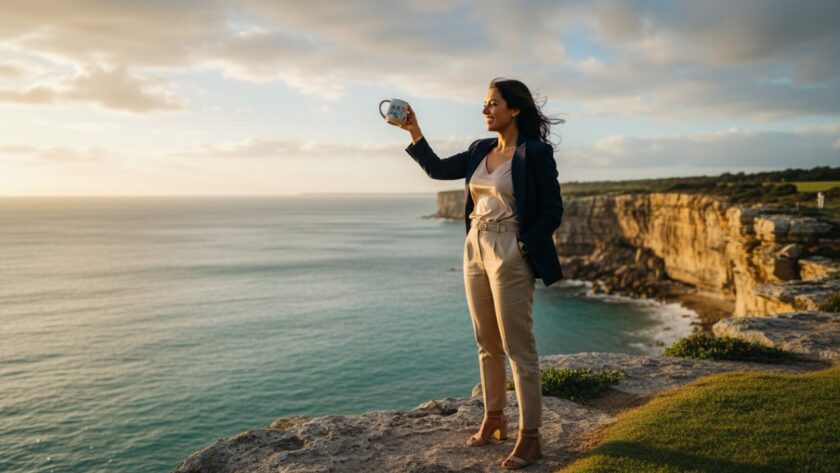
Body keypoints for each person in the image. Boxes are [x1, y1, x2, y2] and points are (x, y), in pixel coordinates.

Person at [399, 78, 565, 469]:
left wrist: (522, 246)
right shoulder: (479, 149)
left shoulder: (535, 153)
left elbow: (553, 210)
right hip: (474, 245)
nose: (486, 110)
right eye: (485, 104)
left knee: (518, 348)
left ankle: (531, 437)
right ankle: (494, 417)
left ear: (515, 109)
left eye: (493, 103)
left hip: (510, 248)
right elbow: (438, 169)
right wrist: (413, 131)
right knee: (486, 341)